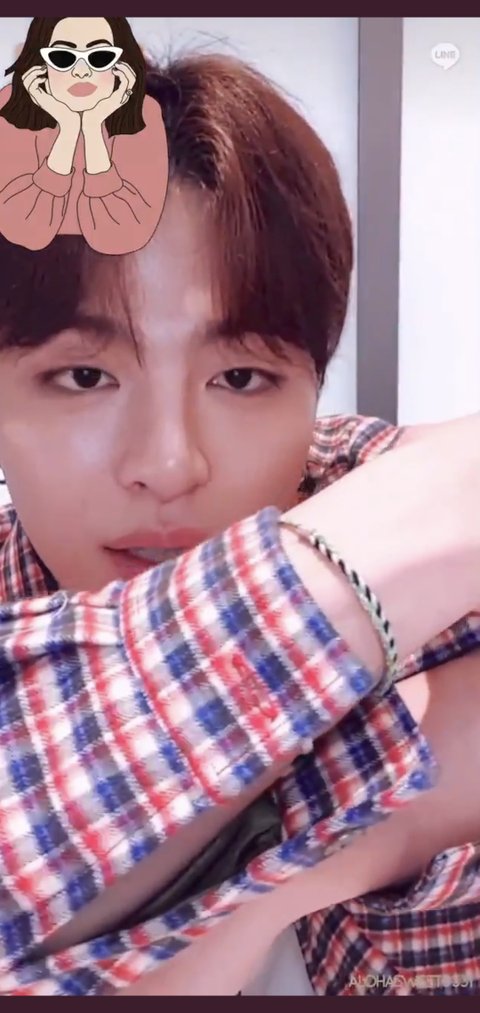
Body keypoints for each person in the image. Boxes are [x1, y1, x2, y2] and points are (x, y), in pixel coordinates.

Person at [0, 50, 479, 996]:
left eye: (242, 377)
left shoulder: (371, 488)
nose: (170, 462)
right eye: (85, 376)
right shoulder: (425, 517)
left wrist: (300, 870)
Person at [0, 17, 167, 254]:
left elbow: (120, 232)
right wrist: (68, 130)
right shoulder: (15, 119)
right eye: (62, 58)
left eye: (100, 58)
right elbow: (25, 226)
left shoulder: (145, 117)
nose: (81, 72)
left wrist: (92, 128)